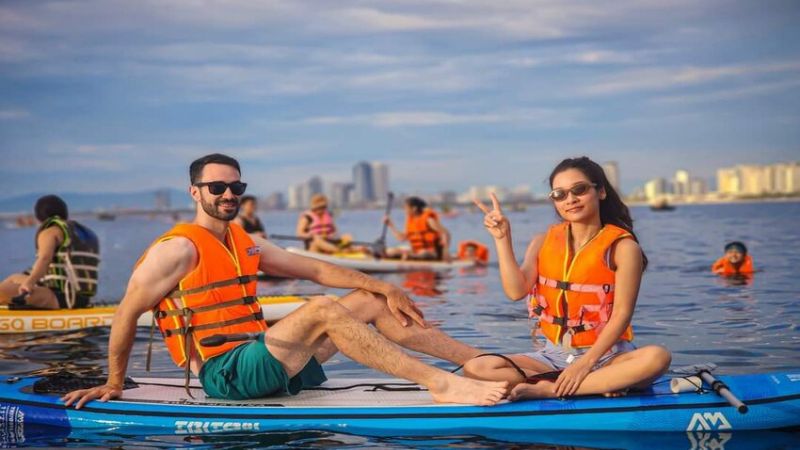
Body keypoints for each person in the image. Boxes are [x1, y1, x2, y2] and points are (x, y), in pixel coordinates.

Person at [62, 154, 506, 409]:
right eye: (216, 188)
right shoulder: (178, 249)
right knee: (321, 309)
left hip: (270, 361)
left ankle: (480, 360)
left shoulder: (243, 240)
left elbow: (315, 268)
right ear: (195, 192)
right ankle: (439, 383)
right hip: (227, 375)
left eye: (236, 187)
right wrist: (114, 383)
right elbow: (125, 314)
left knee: (370, 302)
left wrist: (384, 286)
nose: (228, 195)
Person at [465, 156, 671, 401]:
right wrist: (502, 239)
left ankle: (550, 389)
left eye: (579, 190)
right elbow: (515, 291)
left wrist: (584, 365)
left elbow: (621, 315)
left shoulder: (624, 247)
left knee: (657, 358)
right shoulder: (542, 241)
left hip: (608, 356)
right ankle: (595, 385)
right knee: (476, 368)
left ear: (601, 191)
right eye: (559, 194)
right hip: (553, 357)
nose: (570, 199)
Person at [0, 195, 100, 310]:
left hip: (62, 297)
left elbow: (44, 259)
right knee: (14, 278)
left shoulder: (50, 232)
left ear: (39, 216)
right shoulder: (79, 232)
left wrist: (29, 283)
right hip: (81, 297)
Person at [384, 197, 451, 262]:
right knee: (390, 251)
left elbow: (445, 233)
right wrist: (390, 225)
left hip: (431, 253)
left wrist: (445, 251)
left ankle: (410, 257)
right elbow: (401, 238)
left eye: (406, 208)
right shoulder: (411, 221)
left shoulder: (429, 220)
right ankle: (408, 257)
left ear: (414, 208)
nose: (404, 210)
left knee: (424, 253)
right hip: (416, 251)